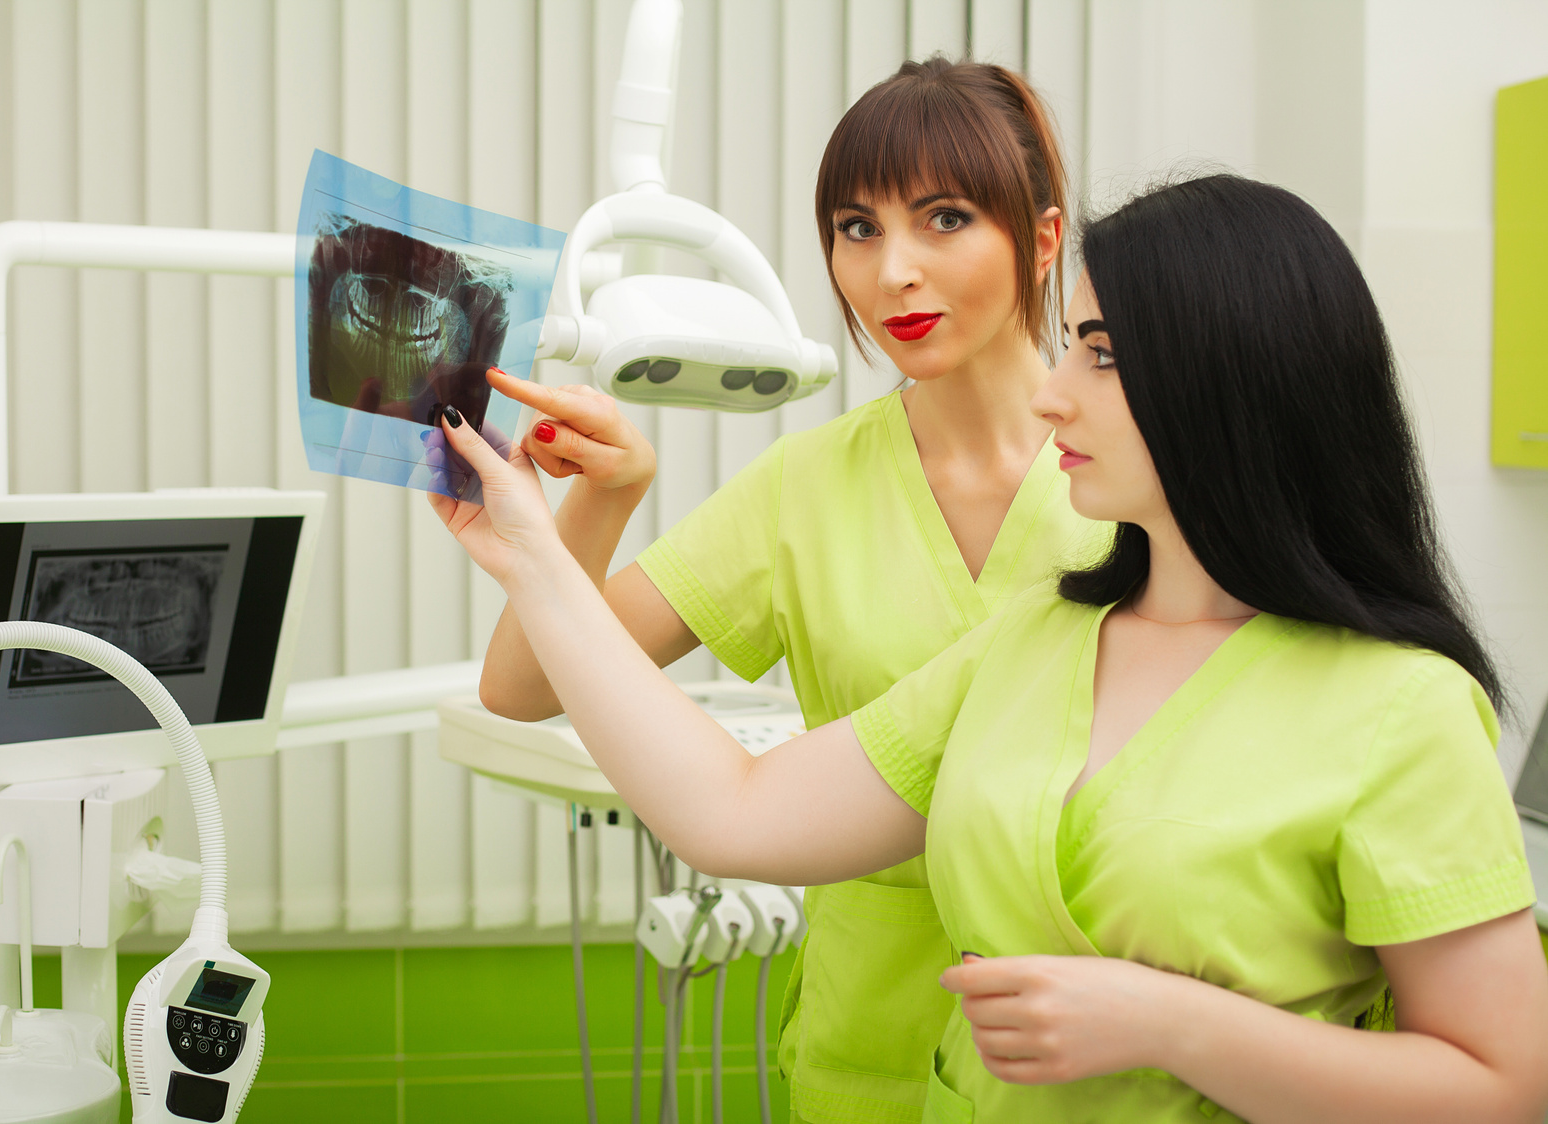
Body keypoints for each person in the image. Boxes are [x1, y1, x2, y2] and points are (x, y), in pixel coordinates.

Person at [430, 174, 1548, 1123]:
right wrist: (531, 553)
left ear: (1236, 378)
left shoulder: (1399, 705)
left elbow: (1504, 1085)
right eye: (1072, 345)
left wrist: (1171, 1022)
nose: (1054, 394)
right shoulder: (1035, 641)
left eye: (1100, 356)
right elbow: (733, 808)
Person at [478, 57, 1102, 1123]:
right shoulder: (805, 488)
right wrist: (601, 500)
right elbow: (523, 684)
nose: (891, 271)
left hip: (1084, 1052)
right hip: (863, 1055)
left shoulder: (1126, 474)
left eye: (943, 218)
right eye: (856, 228)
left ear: (1041, 239)